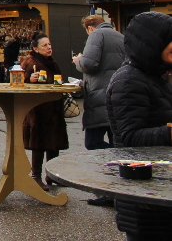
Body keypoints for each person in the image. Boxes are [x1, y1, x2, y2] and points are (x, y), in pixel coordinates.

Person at [106, 11, 172, 241]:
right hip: (142, 191)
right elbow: (129, 138)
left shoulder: (155, 75)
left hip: (158, 185)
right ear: (152, 43)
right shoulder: (129, 80)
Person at [21, 32, 69, 190]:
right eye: (45, 45)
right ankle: (36, 176)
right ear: (35, 48)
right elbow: (18, 81)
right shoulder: (30, 61)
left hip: (53, 106)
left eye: (49, 44)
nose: (49, 48)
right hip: (39, 109)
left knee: (53, 142)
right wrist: (29, 79)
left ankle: (52, 174)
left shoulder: (50, 62)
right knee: (39, 143)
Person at [73, 15, 124, 151]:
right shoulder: (120, 36)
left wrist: (79, 60)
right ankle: (114, 168)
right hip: (118, 95)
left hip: (99, 97)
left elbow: (89, 64)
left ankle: (109, 162)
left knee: (93, 143)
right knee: (116, 142)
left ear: (90, 28)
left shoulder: (96, 34)